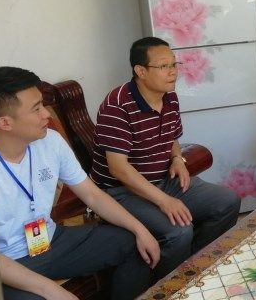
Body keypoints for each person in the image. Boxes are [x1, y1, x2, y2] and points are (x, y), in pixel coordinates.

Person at [0, 67, 160, 300]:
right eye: (36, 108)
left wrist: (140, 229)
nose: (47, 115)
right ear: (5, 122)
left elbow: (92, 194)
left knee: (133, 244)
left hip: (50, 241)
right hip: (1, 265)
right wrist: (49, 289)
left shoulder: (50, 142)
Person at [91, 37, 240, 278]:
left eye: (174, 64)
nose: (173, 72)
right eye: (163, 66)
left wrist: (178, 159)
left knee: (227, 201)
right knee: (179, 231)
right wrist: (164, 201)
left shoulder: (169, 96)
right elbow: (118, 169)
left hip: (163, 179)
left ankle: (193, 268)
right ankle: (165, 288)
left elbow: (172, 137)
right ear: (140, 71)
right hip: (121, 191)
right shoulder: (117, 105)